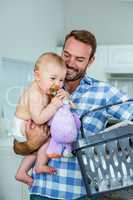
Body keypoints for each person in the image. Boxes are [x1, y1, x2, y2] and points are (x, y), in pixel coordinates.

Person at [14, 30, 133, 200]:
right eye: (67, 55)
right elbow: (17, 145)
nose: (70, 63)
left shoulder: (103, 92)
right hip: (42, 191)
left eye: (79, 59)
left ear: (90, 61)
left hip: (81, 193)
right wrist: (32, 142)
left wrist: (113, 148)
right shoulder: (42, 87)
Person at [13, 52, 68, 186]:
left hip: (23, 125)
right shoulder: (35, 92)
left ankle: (21, 172)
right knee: (48, 138)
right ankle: (40, 165)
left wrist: (62, 96)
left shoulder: (44, 88)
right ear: (37, 76)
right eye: (53, 78)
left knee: (38, 146)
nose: (58, 84)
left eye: (61, 80)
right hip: (23, 126)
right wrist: (54, 104)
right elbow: (38, 119)